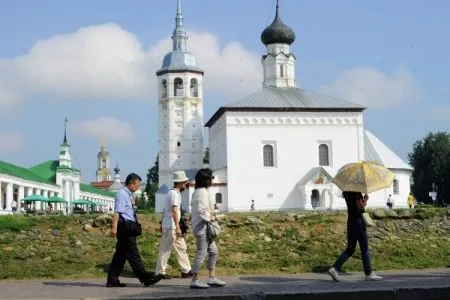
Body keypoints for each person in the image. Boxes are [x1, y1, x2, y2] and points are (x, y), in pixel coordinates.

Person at [106, 173, 161, 288]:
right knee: (133, 254)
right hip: (125, 228)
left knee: (120, 256)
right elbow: (117, 212)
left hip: (127, 227)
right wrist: (114, 228)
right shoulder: (122, 194)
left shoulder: (128, 194)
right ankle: (145, 278)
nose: (138, 187)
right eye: (137, 184)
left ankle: (112, 279)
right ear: (131, 183)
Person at [328, 192, 382, 282]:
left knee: (350, 249)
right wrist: (366, 199)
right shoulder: (357, 194)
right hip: (358, 224)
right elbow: (360, 207)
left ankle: (335, 268)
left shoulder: (347, 194)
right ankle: (368, 273)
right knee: (364, 249)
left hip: (351, 223)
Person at [189, 168, 226, 289]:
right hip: (202, 227)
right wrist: (212, 218)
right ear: (206, 180)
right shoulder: (201, 192)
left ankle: (212, 277)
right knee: (202, 252)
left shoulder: (200, 191)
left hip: (204, 226)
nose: (212, 180)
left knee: (213, 251)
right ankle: (194, 280)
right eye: (211, 178)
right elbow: (202, 211)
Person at [155, 170, 193, 279]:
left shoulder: (173, 193)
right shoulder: (174, 194)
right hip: (171, 226)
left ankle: (186, 270)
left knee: (181, 247)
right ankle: (160, 272)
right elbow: (174, 211)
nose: (186, 184)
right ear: (181, 183)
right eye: (185, 182)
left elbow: (165, 210)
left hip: (170, 225)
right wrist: (177, 227)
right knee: (165, 249)